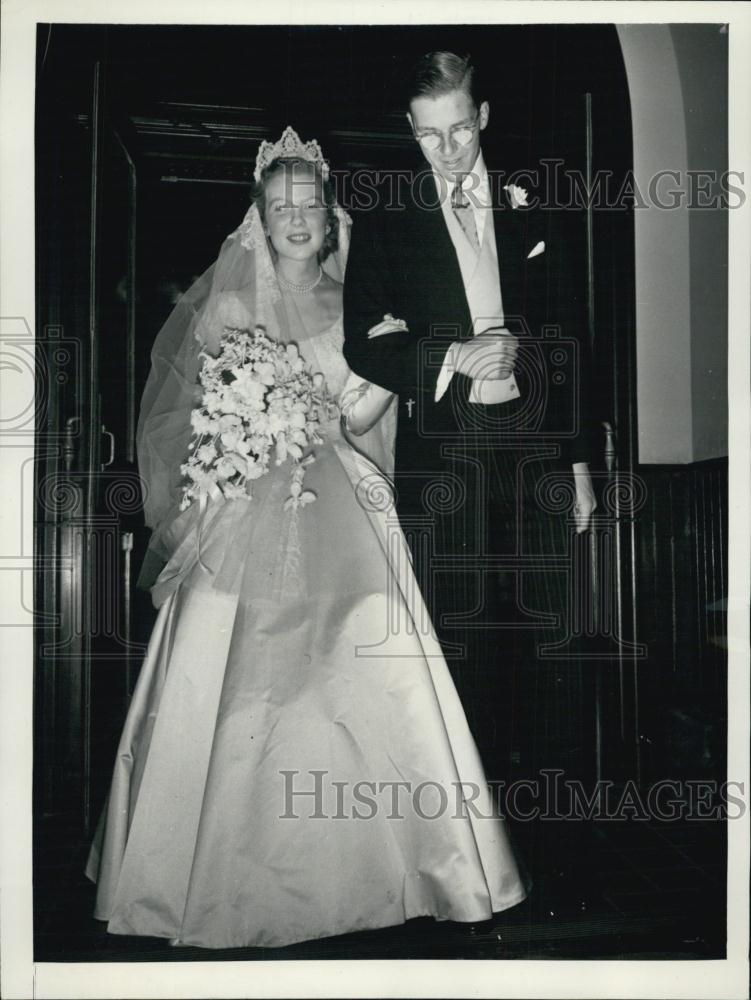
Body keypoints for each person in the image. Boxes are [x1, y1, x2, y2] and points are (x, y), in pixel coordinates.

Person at [85, 127, 527, 950]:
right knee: (235, 670)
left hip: (339, 492)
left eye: (309, 207)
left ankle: (389, 868)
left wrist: (332, 416)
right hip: (245, 503)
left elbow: (372, 403)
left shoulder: (355, 301)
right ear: (259, 216)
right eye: (280, 206)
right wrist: (241, 441)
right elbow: (186, 421)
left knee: (359, 660)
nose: (296, 220)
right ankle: (208, 877)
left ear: (329, 219)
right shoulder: (221, 305)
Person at [343, 52, 600, 779]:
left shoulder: (535, 197)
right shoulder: (389, 218)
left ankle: (558, 827)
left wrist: (580, 466)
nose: (449, 150)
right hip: (444, 458)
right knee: (462, 643)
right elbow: (361, 341)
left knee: (554, 634)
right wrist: (452, 353)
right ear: (410, 130)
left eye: (459, 129)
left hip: (539, 449)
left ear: (480, 116)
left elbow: (572, 336)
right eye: (430, 137)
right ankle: (476, 838)